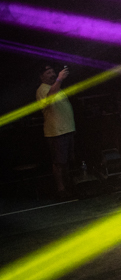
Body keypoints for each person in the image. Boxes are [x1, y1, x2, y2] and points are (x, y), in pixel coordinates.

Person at [37, 64, 75, 196]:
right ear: (41, 77)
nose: (52, 74)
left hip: (66, 130)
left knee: (65, 162)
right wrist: (59, 79)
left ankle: (68, 186)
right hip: (56, 132)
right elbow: (50, 98)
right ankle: (61, 189)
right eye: (48, 73)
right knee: (59, 162)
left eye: (53, 72)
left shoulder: (56, 87)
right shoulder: (42, 89)